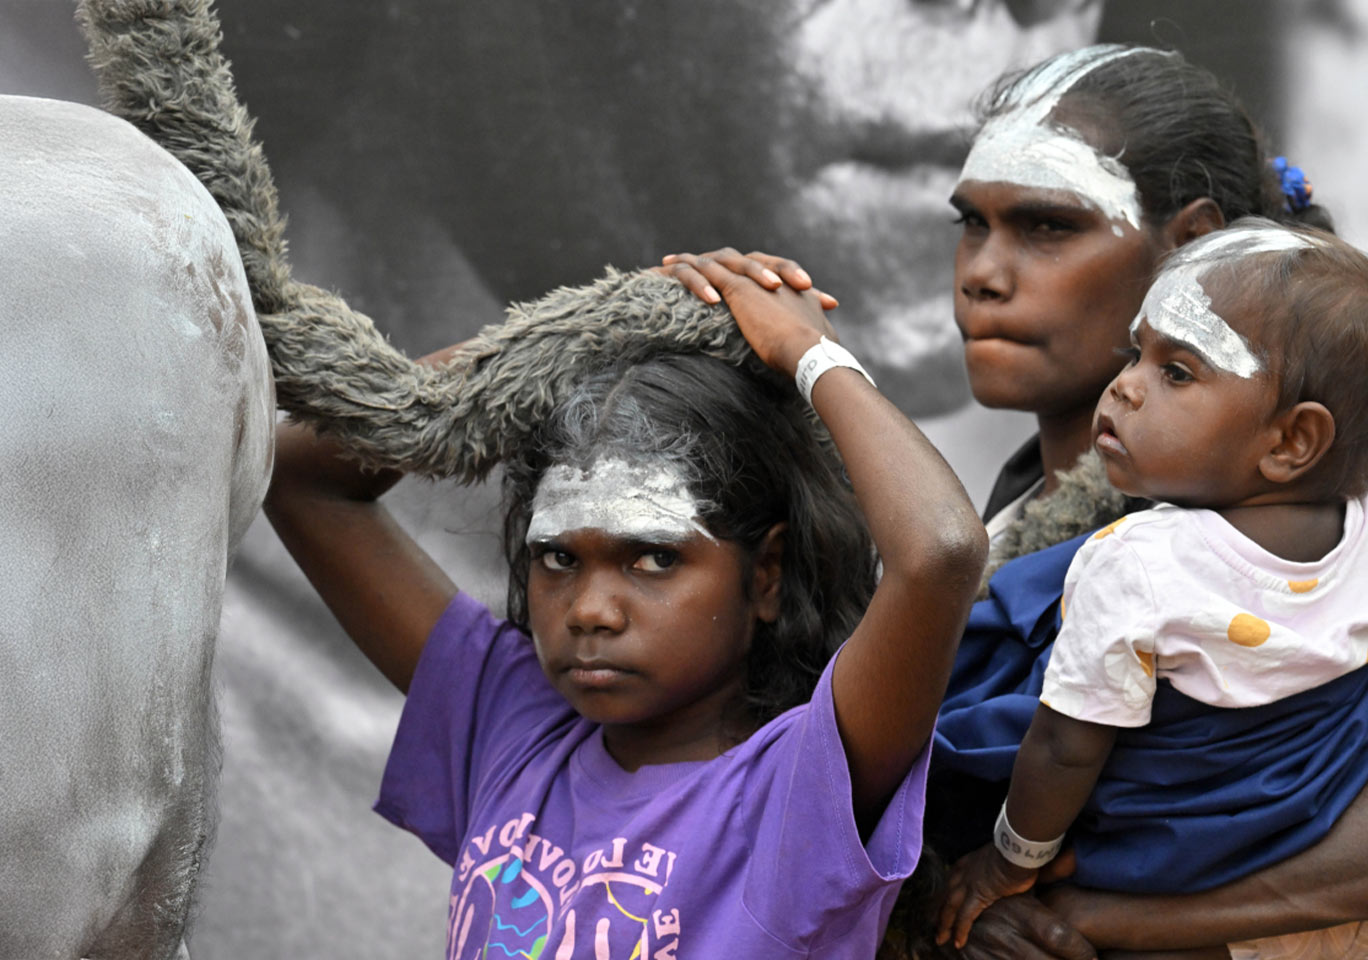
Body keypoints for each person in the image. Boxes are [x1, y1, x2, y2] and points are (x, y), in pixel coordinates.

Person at [664, 43, 1368, 959]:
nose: (982, 273)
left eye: (1046, 227)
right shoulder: (1014, 513)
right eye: (973, 224)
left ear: (1188, 245)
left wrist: (1090, 920)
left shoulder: (1287, 549)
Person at [264, 262, 988, 955]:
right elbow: (298, 476)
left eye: (654, 558)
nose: (590, 611)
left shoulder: (799, 791)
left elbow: (941, 553)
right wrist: (599, 321)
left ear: (766, 575)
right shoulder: (513, 724)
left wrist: (808, 353)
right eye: (559, 558)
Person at [937, 221, 1368, 957]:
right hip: (1284, 847)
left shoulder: (1140, 563)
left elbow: (1067, 748)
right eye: (1134, 352)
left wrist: (1008, 860)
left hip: (1137, 865)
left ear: (1292, 442)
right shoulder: (1357, 536)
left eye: (1177, 371)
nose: (1125, 387)